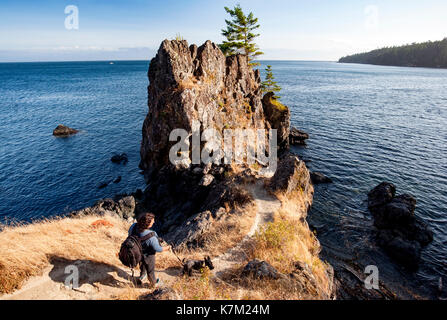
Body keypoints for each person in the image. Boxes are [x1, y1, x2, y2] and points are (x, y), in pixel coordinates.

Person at [128, 212, 170, 286]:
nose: (154, 222)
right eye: (152, 221)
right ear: (147, 224)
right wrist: (167, 248)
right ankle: (153, 282)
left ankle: (142, 276)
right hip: (149, 255)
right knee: (150, 270)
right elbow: (158, 249)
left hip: (138, 252)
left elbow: (129, 235)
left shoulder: (133, 226)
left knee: (142, 265)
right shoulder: (151, 235)